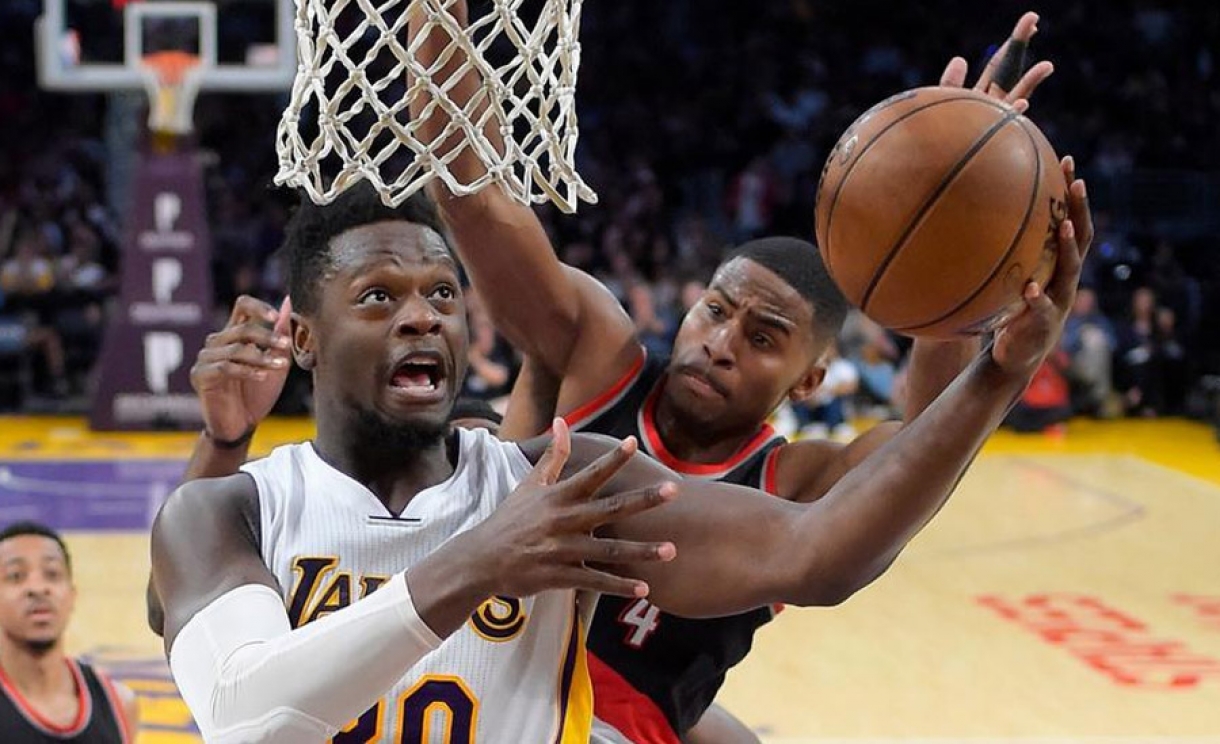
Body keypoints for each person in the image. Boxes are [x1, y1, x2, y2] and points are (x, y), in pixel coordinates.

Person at [174, 11, 1073, 744]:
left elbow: (882, 486)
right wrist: (439, 34)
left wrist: (967, 273)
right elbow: (474, 191)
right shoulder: (599, 369)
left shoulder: (741, 478)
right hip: (510, 665)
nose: (721, 343)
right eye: (715, 310)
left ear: (809, 380)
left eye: (763, 338)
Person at [0, 521, 139, 743]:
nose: (38, 588)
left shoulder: (118, 703)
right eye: (16, 576)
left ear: (72, 595)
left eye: (52, 574)